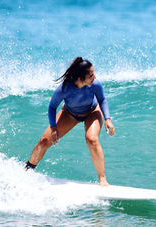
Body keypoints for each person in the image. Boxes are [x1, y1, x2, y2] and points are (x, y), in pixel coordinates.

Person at [25, 57, 115, 186]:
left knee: (92, 139)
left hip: (92, 111)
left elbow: (102, 100)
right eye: (90, 75)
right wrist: (54, 128)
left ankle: (102, 178)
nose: (94, 76)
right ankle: (28, 168)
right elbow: (52, 107)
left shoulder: (95, 84)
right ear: (80, 77)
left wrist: (108, 119)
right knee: (44, 141)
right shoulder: (64, 89)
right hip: (70, 114)